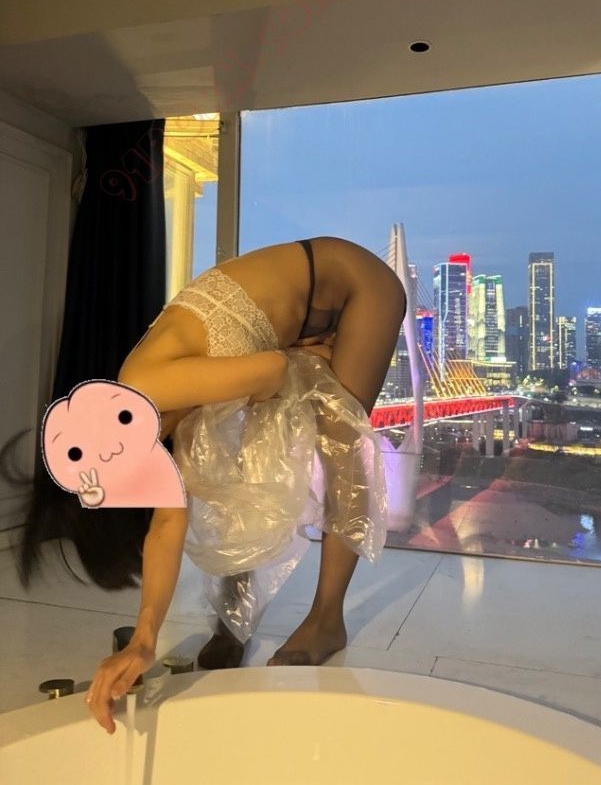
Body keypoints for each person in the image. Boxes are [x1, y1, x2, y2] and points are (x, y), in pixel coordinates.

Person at [83, 235, 407, 734]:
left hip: (358, 285)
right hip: (299, 318)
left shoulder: (146, 390)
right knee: (236, 460)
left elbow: (273, 370)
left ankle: (326, 621)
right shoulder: (137, 422)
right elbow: (166, 526)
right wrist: (144, 640)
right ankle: (235, 615)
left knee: (340, 447)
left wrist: (295, 365)